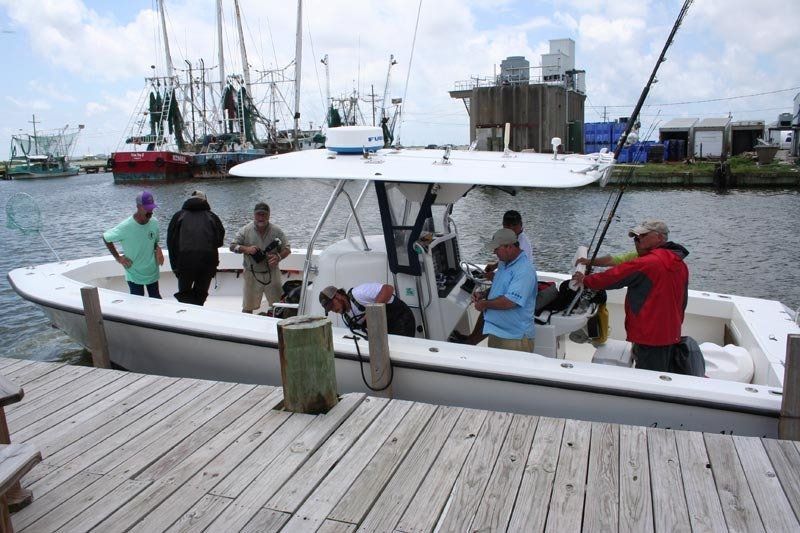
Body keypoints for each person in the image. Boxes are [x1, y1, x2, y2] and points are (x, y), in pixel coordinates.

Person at [571, 219, 690, 372]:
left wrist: (585, 280)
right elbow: (683, 301)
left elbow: (613, 277)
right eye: (635, 237)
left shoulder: (647, 263)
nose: (637, 240)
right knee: (660, 373)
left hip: (649, 335)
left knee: (648, 379)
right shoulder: (679, 263)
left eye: (642, 236)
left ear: (660, 238)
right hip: (670, 332)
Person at [472, 228, 537, 352]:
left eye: (497, 249)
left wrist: (484, 304)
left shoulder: (524, 270)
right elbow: (500, 286)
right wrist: (483, 294)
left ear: (509, 247)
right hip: (497, 332)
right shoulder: (504, 262)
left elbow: (509, 302)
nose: (494, 252)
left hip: (515, 339)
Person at [229, 202, 291, 313]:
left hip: (272, 273)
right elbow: (232, 246)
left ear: (269, 215)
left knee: (279, 305)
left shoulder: (276, 231)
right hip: (251, 274)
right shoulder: (245, 230)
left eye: (264, 214)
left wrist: (278, 257)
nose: (261, 217)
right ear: (254, 215)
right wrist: (246, 249)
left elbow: (287, 248)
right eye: (258, 214)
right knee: (247, 307)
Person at [167, 190, 225, 306]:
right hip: (207, 264)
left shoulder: (178, 216)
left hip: (184, 264)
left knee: (184, 295)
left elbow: (171, 243)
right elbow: (219, 242)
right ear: (205, 200)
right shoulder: (212, 217)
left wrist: (175, 267)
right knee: (201, 294)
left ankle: (186, 318)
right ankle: (197, 316)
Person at [103, 190, 164, 298]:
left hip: (152, 272)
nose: (150, 211)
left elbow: (154, 242)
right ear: (138, 207)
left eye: (152, 208)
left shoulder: (154, 223)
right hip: (134, 273)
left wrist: (158, 249)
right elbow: (106, 237)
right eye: (147, 208)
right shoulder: (126, 227)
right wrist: (118, 258)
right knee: (137, 304)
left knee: (156, 301)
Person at [319, 283, 416, 337]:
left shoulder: (359, 293)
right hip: (385, 332)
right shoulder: (347, 318)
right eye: (329, 309)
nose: (332, 310)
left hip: (401, 319)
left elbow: (388, 289)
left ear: (338, 296)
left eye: (332, 305)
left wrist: (371, 312)